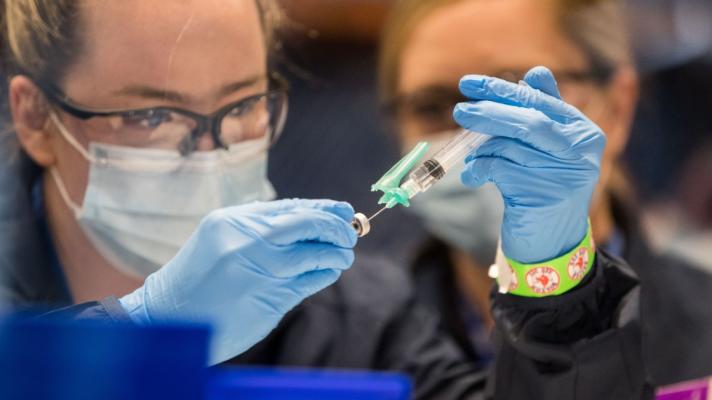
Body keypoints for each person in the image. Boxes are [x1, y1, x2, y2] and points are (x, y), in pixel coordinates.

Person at [0, 1, 698, 400]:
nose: (209, 149)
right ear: (34, 118)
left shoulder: (359, 320)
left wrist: (555, 277)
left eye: (243, 105)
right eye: (151, 115)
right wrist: (131, 332)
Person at [380, 0, 712, 390]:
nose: (471, 135)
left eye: (513, 100)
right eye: (431, 106)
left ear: (618, 106)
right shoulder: (357, 335)